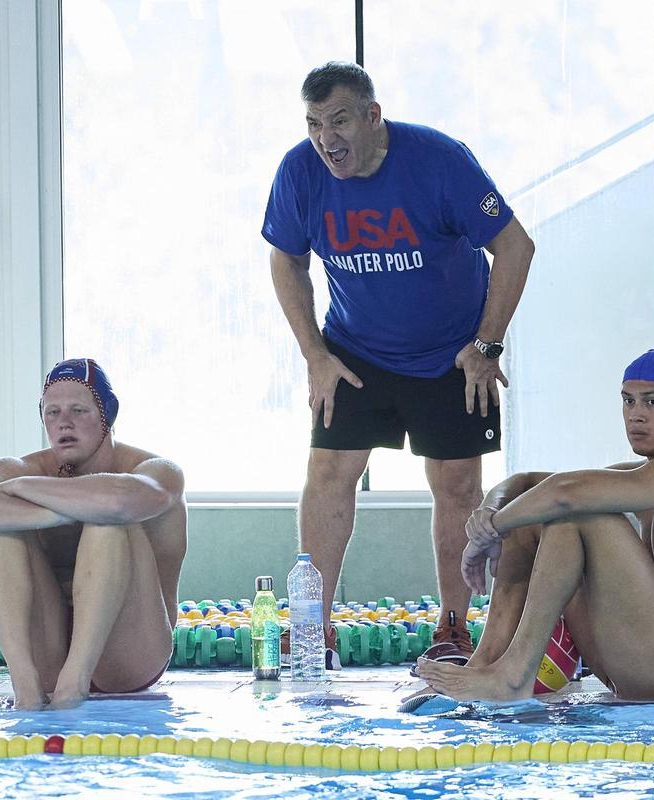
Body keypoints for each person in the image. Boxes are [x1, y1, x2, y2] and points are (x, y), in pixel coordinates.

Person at [262, 61, 535, 667]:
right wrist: (314, 355)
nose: (326, 139)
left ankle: (453, 626)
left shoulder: (439, 160)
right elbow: (286, 260)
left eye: (338, 121)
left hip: (453, 351)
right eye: (313, 124)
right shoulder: (300, 171)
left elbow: (515, 246)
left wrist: (488, 344)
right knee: (330, 471)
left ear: (372, 116)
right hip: (355, 350)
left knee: (457, 484)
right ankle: (314, 626)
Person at [416, 350, 654, 702]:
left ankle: (513, 675)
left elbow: (567, 494)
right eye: (628, 402)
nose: (636, 415)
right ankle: (484, 664)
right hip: (639, 655)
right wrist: (488, 514)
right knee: (537, 512)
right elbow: (529, 482)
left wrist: (488, 531)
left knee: (578, 512)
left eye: (652, 402)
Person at [0, 359, 186, 709]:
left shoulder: (152, 469)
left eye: (78, 410)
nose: (63, 423)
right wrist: (52, 514)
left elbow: (119, 501)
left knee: (107, 521)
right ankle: (26, 687)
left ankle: (73, 686)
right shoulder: (30, 468)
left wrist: (21, 488)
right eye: (52, 412)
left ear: (107, 415)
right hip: (49, 654)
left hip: (130, 654)